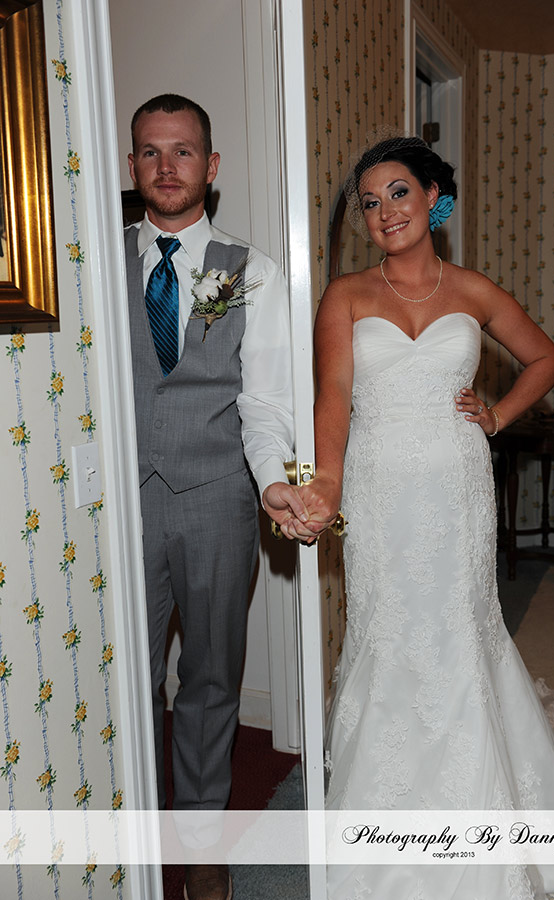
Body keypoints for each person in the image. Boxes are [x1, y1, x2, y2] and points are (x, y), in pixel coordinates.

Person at [295, 135, 554, 898]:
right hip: (376, 489)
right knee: (387, 630)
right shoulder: (346, 295)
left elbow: (545, 359)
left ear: (433, 197)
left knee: (458, 631)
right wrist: (326, 479)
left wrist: (496, 416)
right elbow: (333, 395)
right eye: (370, 203)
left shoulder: (472, 289)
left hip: (456, 488)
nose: (384, 212)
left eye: (398, 192)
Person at [124, 94, 307, 900]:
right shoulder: (89, 262)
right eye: (150, 151)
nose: (166, 166)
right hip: (119, 506)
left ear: (211, 165)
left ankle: (201, 840)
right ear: (133, 164)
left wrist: (272, 481)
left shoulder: (249, 270)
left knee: (208, 678)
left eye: (183, 150)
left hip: (218, 501)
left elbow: (263, 400)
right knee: (123, 679)